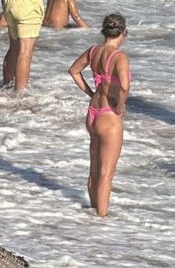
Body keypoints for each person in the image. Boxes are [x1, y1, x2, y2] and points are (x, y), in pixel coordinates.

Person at [68, 14, 130, 217]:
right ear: (123, 33)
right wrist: (119, 107)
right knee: (106, 173)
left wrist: (90, 93)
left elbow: (74, 71)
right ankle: (101, 219)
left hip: (93, 113)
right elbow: (124, 86)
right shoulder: (119, 56)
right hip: (108, 115)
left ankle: (93, 212)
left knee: (94, 169)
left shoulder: (93, 51)